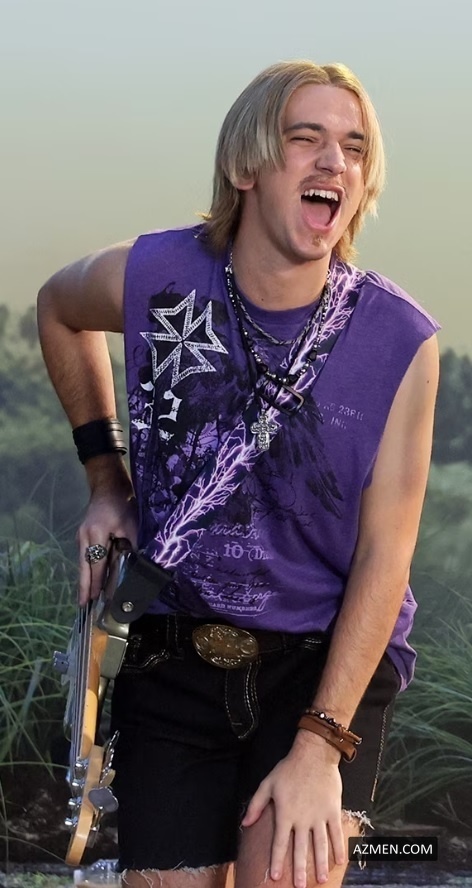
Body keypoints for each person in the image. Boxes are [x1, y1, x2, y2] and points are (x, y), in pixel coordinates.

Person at [37, 60, 439, 888]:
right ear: (245, 165)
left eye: (354, 148)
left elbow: (386, 558)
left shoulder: (401, 341)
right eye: (306, 138)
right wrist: (107, 480)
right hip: (173, 650)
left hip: (323, 662)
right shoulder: (155, 277)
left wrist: (320, 745)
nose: (334, 162)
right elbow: (57, 309)